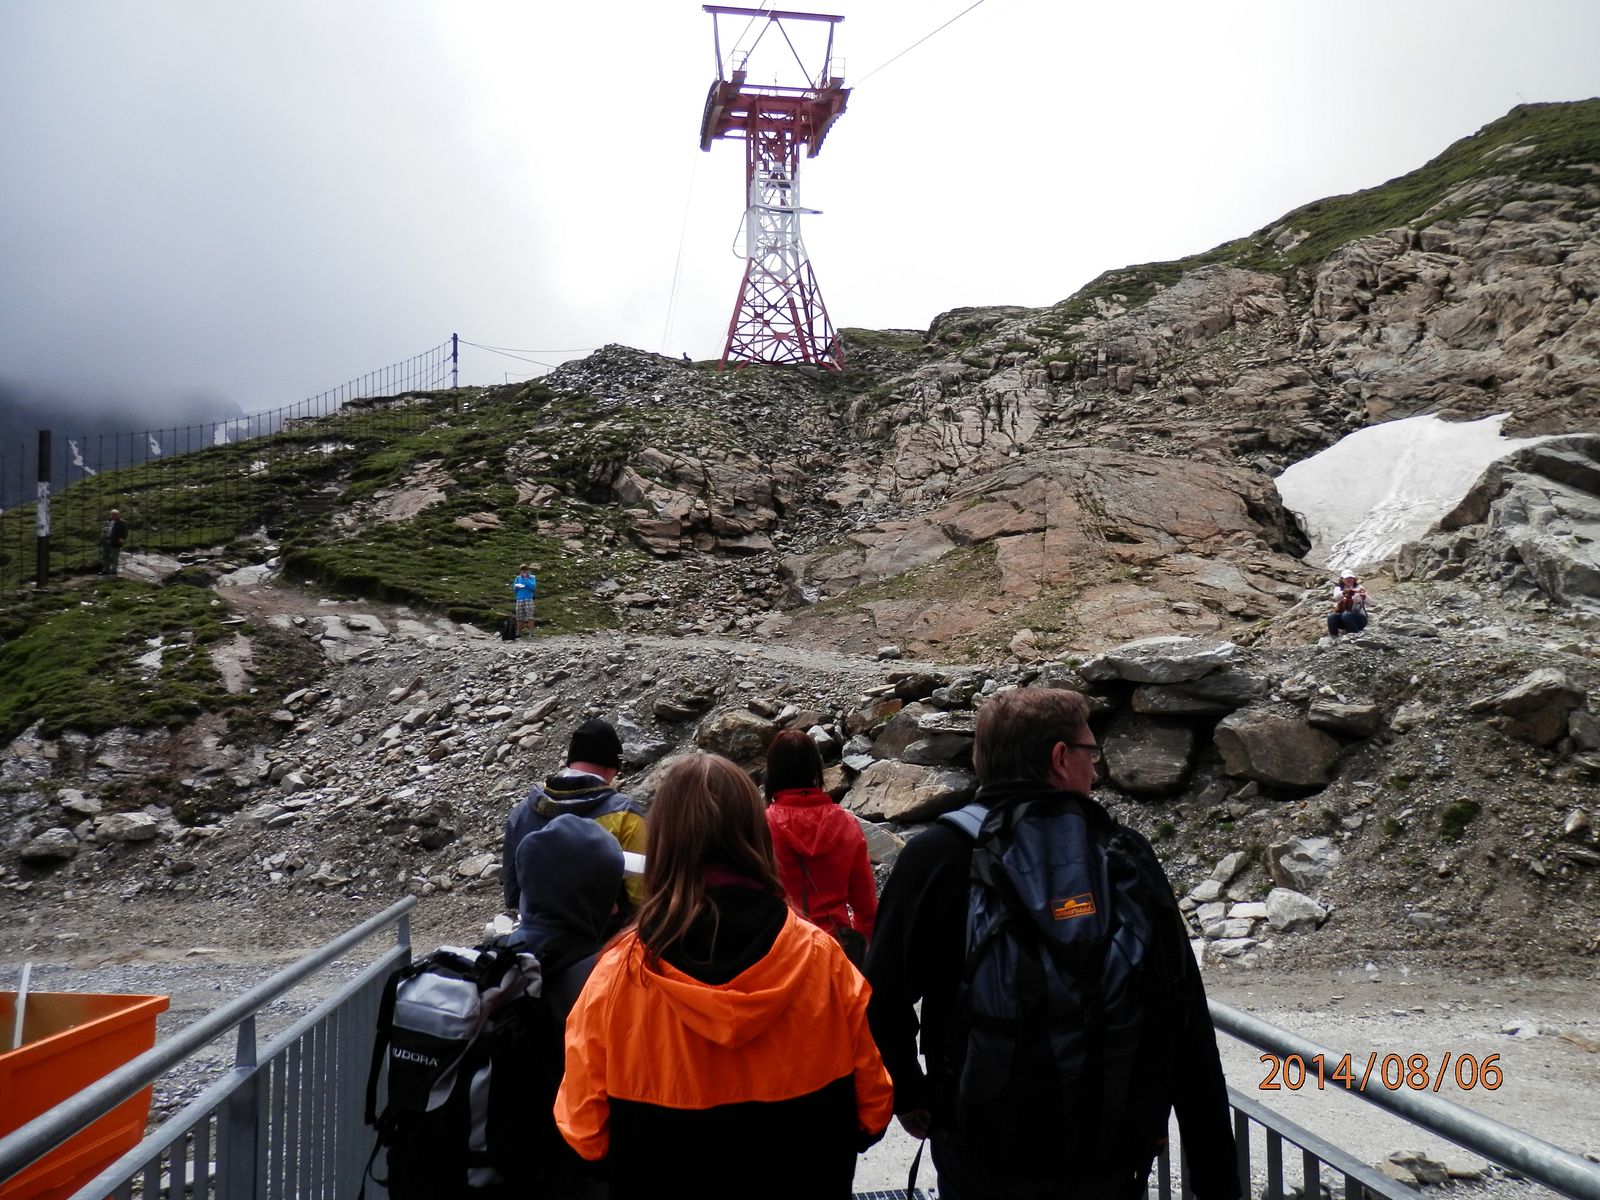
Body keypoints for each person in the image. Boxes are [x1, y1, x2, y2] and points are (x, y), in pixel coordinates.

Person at [866, 689, 1239, 1200]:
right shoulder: (1121, 853)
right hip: (1107, 1150)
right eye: (1090, 753)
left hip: (982, 1147)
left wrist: (912, 1095)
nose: (1096, 770)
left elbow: (881, 997)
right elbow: (1185, 1017)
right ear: (1060, 759)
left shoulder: (937, 855)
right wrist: (1215, 1172)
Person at [554, 754, 893, 1200]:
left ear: (666, 841)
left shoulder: (617, 976)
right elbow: (872, 1112)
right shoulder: (822, 960)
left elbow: (585, 1136)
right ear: (755, 834)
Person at [503, 719, 647, 915]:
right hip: (601, 938)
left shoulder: (522, 811)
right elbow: (641, 896)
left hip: (534, 934)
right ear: (612, 767)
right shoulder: (624, 813)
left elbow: (512, 894)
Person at [763, 729, 877, 965]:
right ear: (816, 771)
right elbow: (866, 909)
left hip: (782, 954)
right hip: (837, 951)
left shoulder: (762, 826)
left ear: (771, 772)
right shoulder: (846, 822)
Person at [1326, 569, 1370, 638]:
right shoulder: (1338, 589)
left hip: (1359, 618)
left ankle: (1355, 635)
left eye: (1351, 578)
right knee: (1331, 617)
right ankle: (1334, 638)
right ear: (1342, 579)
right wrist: (1346, 592)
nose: (1349, 580)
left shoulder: (1359, 588)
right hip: (1343, 619)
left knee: (1346, 614)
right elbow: (1336, 597)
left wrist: (1364, 597)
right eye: (1347, 578)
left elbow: (1373, 603)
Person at [512, 564, 539, 637]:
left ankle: (531, 633)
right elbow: (514, 590)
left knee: (530, 617)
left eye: (525, 570)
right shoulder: (517, 578)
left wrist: (526, 579)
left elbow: (533, 587)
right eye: (522, 570)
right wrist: (516, 586)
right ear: (520, 571)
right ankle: (518, 633)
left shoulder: (532, 577)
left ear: (527, 570)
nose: (523, 572)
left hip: (528, 598)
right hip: (519, 599)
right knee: (519, 617)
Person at [99, 509, 127, 576]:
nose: (113, 516)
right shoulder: (108, 521)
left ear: (118, 515)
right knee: (105, 556)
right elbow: (104, 530)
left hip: (115, 541)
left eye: (115, 514)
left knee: (114, 556)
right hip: (106, 540)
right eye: (112, 514)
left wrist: (122, 538)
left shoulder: (122, 522)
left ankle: (114, 570)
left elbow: (125, 532)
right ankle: (105, 570)